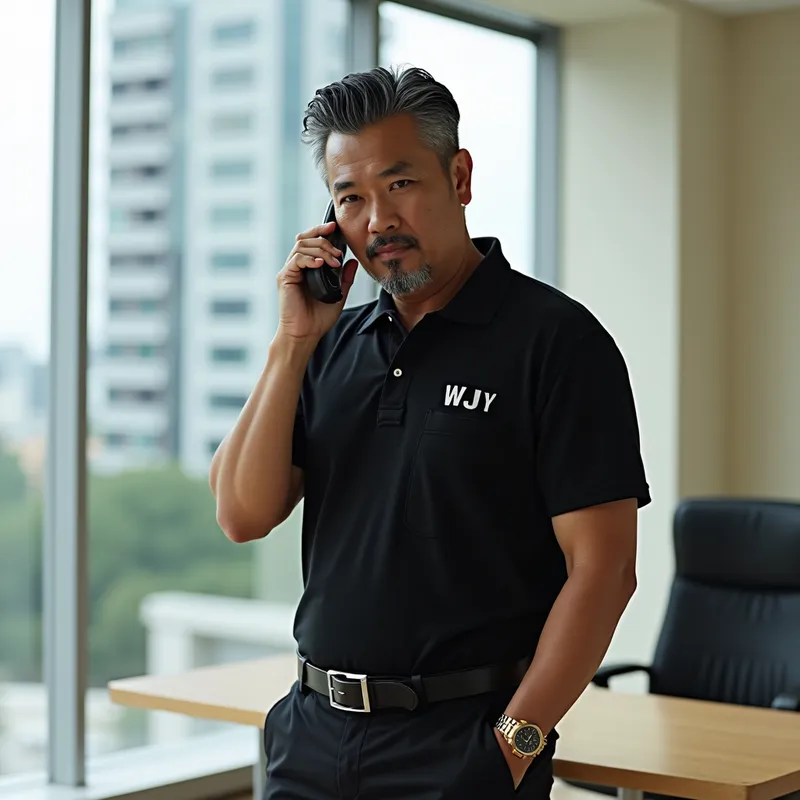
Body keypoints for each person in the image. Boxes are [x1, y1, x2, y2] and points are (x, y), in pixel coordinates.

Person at [209, 65, 651, 800]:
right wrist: (292, 342)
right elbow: (241, 514)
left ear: (459, 177)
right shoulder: (327, 347)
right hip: (311, 738)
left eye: (401, 184)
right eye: (351, 197)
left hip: (462, 749)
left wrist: (513, 747)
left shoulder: (559, 342)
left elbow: (605, 569)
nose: (378, 220)